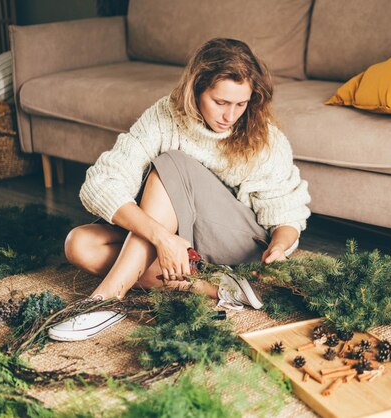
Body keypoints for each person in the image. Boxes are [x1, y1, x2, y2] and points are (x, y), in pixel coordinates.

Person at [53, 38, 311, 341]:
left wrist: (280, 246)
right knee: (80, 243)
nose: (230, 116)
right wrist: (162, 238)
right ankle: (214, 289)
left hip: (237, 244)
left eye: (241, 104)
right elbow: (100, 183)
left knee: (171, 162)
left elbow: (287, 213)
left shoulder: (265, 137)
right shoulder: (165, 116)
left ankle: (106, 300)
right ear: (196, 89)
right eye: (220, 102)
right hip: (183, 242)